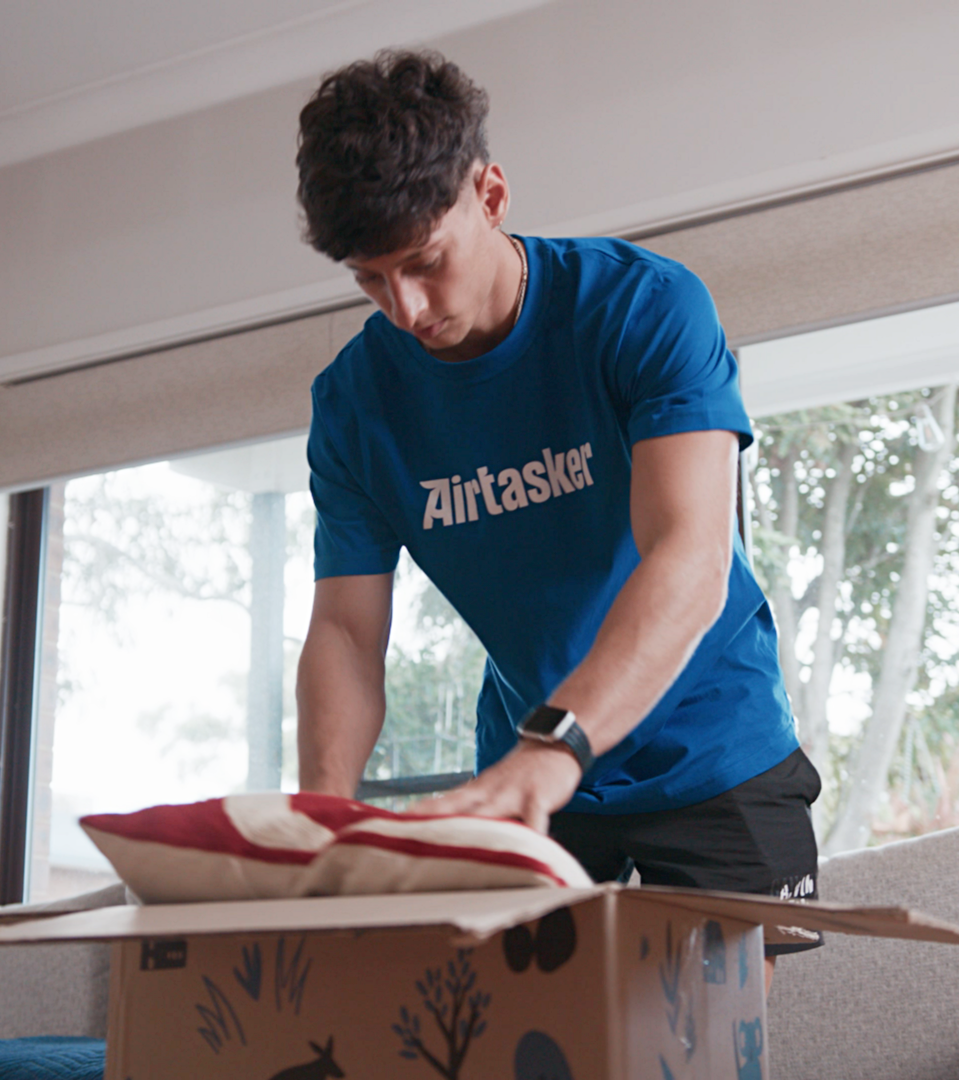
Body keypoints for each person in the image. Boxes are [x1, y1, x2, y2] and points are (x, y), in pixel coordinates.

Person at [290, 50, 822, 967]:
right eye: (370, 280)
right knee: (503, 1042)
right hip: (527, 764)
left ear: (489, 195)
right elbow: (344, 631)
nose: (405, 308)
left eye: (423, 263)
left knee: (703, 1052)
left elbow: (687, 560)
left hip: (710, 748)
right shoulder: (353, 405)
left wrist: (559, 744)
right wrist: (324, 823)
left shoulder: (644, 310)